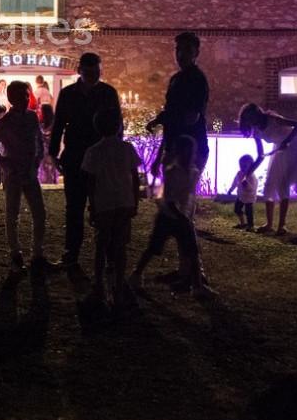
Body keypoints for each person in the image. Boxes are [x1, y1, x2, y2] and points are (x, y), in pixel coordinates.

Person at [50, 52, 122, 270]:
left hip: (101, 157)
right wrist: (54, 152)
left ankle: (108, 254)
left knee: (104, 207)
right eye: (89, 71)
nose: (93, 75)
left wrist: (115, 151)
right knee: (74, 207)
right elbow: (59, 123)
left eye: (96, 71)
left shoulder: (108, 93)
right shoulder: (68, 94)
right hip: (75, 156)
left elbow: (117, 124)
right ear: (80, 70)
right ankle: (71, 253)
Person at [127, 135, 213, 297]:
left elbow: (188, 196)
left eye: (191, 152)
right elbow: (170, 198)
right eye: (186, 152)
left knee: (192, 251)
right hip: (169, 216)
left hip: (181, 216)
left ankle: (197, 286)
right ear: (179, 153)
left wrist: (188, 213)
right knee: (154, 248)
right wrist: (182, 217)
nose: (189, 155)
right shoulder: (173, 171)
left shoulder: (192, 172)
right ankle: (136, 275)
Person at [81, 108, 141, 308]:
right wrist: (135, 201)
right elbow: (135, 176)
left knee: (102, 244)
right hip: (124, 202)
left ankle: (99, 283)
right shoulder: (127, 148)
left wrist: (92, 204)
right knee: (120, 244)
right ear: (118, 126)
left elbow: (90, 181)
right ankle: (118, 283)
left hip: (104, 203)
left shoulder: (93, 151)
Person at [238, 103, 297, 235]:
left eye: (251, 117)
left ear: (257, 114)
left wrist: (286, 141)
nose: (250, 121)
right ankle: (269, 224)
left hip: (294, 147)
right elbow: (260, 156)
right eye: (248, 119)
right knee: (269, 185)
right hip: (279, 150)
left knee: (283, 185)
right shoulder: (257, 132)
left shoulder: (273, 119)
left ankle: (282, 225)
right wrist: (247, 174)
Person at [0, 81, 48, 272]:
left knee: (40, 213)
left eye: (26, 95)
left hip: (30, 172)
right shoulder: (4, 122)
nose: (25, 99)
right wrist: (4, 163)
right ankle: (16, 255)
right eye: (21, 96)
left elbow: (39, 141)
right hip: (14, 173)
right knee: (12, 214)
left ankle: (37, 254)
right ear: (12, 99)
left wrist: (38, 158)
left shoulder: (32, 117)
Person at [146, 32, 210, 170]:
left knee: (180, 191)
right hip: (176, 148)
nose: (181, 54)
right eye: (178, 49)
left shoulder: (197, 80)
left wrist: (161, 119)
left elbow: (191, 118)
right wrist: (160, 155)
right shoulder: (176, 79)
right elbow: (172, 120)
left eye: (187, 50)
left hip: (190, 151)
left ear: (196, 53)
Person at [229, 139, 265, 229]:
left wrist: (246, 184)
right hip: (240, 196)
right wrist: (231, 189)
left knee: (249, 212)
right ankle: (242, 223)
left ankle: (250, 225)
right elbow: (235, 181)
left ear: (251, 165)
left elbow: (252, 188)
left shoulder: (251, 176)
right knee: (237, 209)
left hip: (249, 197)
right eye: (241, 165)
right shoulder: (239, 173)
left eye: (245, 166)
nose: (242, 167)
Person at [38, 103, 59, 184]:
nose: (38, 112)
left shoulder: (53, 126)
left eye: (40, 110)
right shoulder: (40, 125)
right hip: (42, 152)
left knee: (50, 169)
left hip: (50, 151)